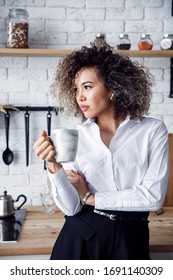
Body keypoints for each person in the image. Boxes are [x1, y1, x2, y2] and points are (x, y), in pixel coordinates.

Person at [33, 44, 168, 260]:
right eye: (76, 89)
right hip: (80, 237)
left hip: (131, 239)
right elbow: (71, 208)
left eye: (87, 87)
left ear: (112, 87)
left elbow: (152, 197)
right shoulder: (75, 136)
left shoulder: (152, 130)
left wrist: (89, 196)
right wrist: (53, 165)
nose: (80, 97)